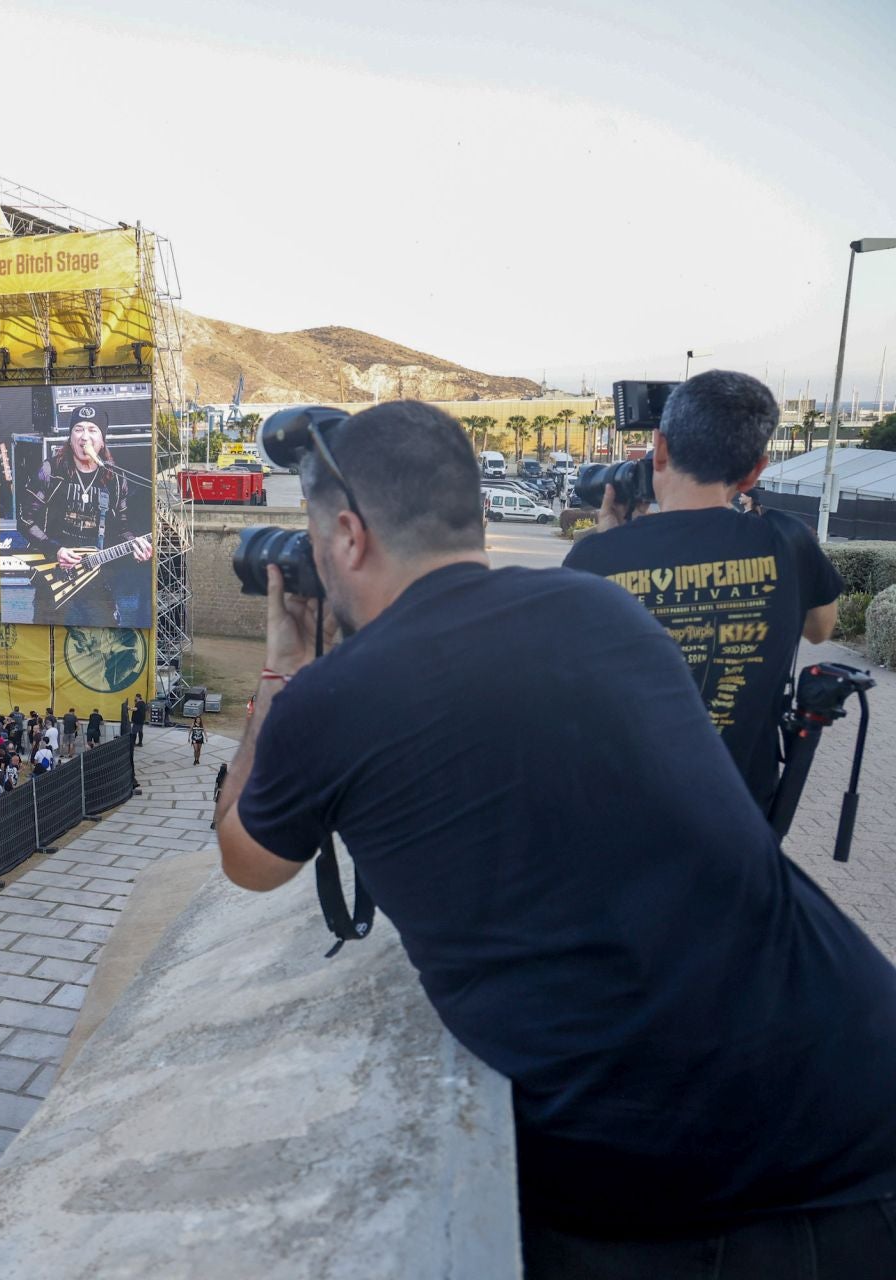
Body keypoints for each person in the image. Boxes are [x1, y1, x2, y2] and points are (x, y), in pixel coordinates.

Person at [213, 399, 896, 1277]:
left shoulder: (329, 703)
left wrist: (283, 667)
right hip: (860, 1084)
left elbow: (247, 859)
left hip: (672, 1205)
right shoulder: (600, 609)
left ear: (346, 535)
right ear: (479, 513)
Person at [563, 370, 842, 807]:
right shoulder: (787, 541)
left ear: (660, 449)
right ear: (753, 472)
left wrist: (611, 538)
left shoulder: (593, 558)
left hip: (616, 814)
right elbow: (821, 629)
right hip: (740, 824)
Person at [19, 406, 153, 626]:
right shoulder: (50, 471)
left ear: (102, 440)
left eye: (92, 430)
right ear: (70, 438)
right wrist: (56, 549)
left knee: (107, 644)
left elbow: (122, 529)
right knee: (48, 643)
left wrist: (136, 545)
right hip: (54, 577)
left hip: (95, 581)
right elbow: (25, 520)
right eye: (78, 430)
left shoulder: (115, 479)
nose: (84, 437)